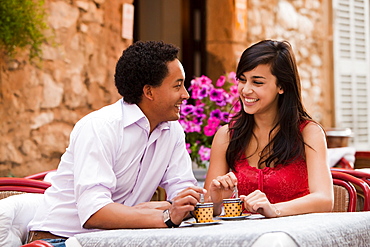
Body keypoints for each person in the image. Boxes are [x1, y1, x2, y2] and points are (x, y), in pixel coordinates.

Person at [27, 41, 205, 245]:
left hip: (118, 239)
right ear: (149, 92)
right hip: (59, 240)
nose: (186, 94)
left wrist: (200, 201)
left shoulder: (172, 131)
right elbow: (94, 213)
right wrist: (165, 215)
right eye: (177, 85)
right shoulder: (99, 127)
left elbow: (183, 194)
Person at [204, 40, 334, 218]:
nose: (245, 90)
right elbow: (208, 209)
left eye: (257, 82)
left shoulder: (309, 133)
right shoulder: (226, 136)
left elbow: (324, 199)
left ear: (281, 86)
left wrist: (275, 209)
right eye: (242, 80)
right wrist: (217, 199)